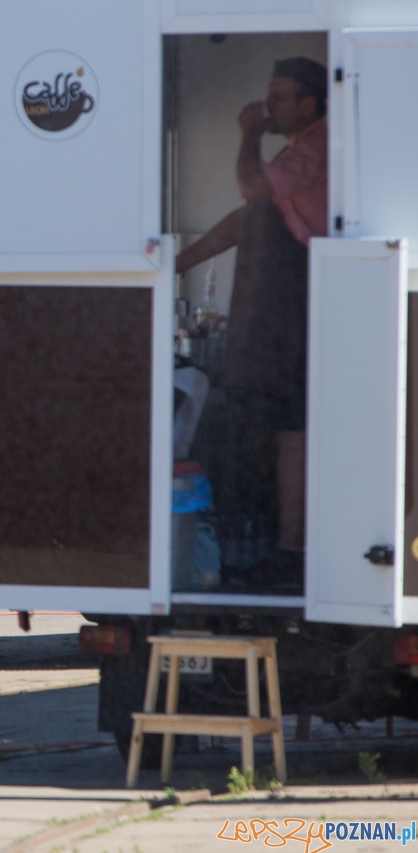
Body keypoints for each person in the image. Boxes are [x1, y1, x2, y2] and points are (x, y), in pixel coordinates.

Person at [175, 56, 326, 586]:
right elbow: (246, 219)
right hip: (284, 320)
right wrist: (178, 264)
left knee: (295, 431)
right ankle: (283, 547)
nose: (267, 108)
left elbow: (250, 188)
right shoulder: (298, 153)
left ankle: (292, 549)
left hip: (305, 310)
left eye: (279, 97)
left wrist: (249, 136)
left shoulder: (315, 147)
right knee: (285, 430)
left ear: (309, 104)